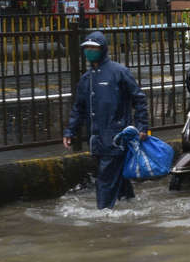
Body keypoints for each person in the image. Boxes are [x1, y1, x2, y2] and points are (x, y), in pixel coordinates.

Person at [63, 31, 149, 209]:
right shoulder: (86, 79)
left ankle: (102, 215)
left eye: (93, 48)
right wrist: (70, 131)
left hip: (117, 138)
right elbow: (78, 108)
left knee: (105, 179)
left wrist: (142, 127)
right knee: (116, 178)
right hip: (97, 140)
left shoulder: (119, 72)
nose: (90, 51)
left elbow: (139, 99)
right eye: (87, 48)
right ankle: (131, 206)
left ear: (102, 49)